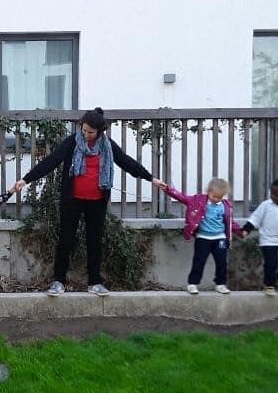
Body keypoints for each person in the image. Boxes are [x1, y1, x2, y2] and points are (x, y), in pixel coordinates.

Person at [13, 108, 167, 296]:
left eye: (90, 132)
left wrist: (151, 178)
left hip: (97, 201)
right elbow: (51, 161)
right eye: (84, 130)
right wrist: (26, 179)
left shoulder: (108, 146)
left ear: (100, 132)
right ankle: (58, 281)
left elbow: (126, 162)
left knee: (94, 241)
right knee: (66, 240)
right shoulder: (72, 142)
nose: (86, 134)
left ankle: (94, 282)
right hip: (72, 200)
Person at [164, 178, 245, 295]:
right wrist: (168, 189)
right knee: (199, 261)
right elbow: (182, 198)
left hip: (220, 238)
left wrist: (239, 231)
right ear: (208, 191)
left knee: (222, 262)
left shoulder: (226, 206)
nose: (216, 199)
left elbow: (230, 222)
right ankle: (193, 283)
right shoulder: (198, 200)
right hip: (203, 238)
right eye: (214, 196)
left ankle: (220, 284)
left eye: (220, 197)